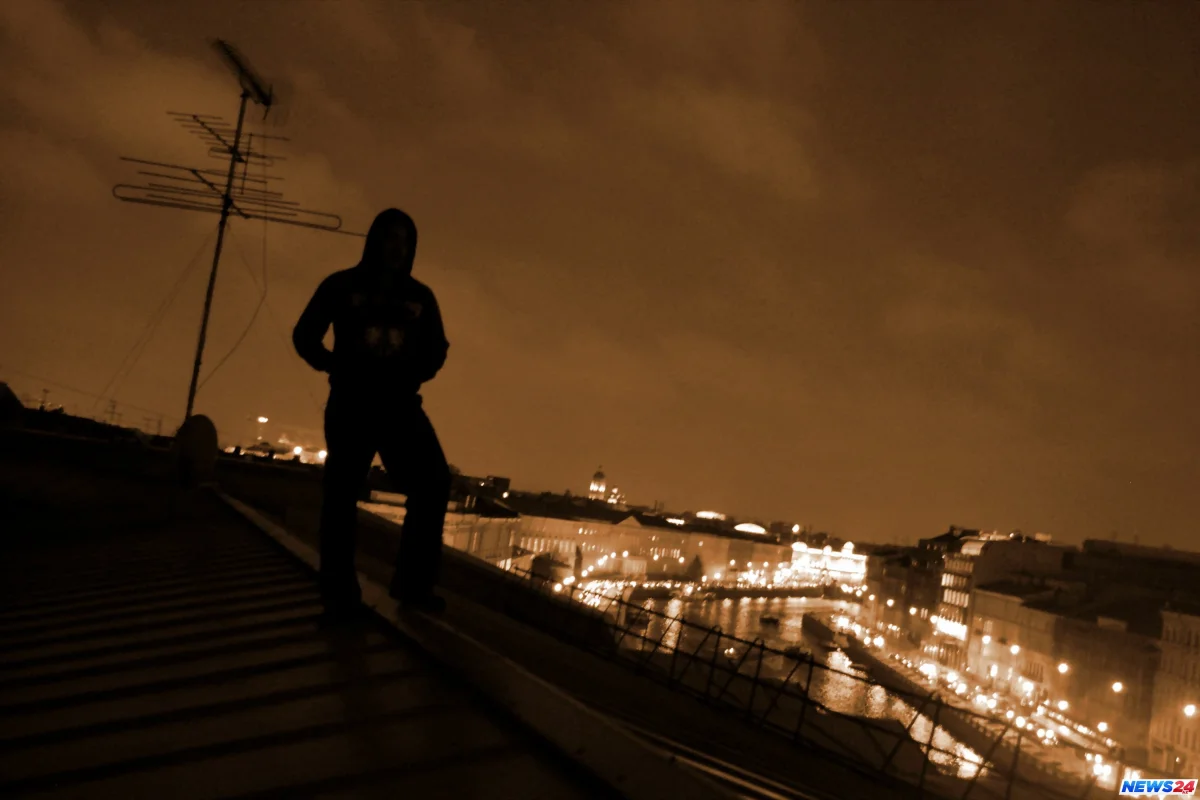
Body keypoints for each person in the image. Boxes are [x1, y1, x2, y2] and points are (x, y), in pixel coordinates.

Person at [293, 208, 451, 620]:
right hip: (352, 404)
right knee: (342, 495)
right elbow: (304, 335)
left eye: (404, 240)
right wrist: (335, 366)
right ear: (375, 240)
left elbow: (437, 348)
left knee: (433, 482)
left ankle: (413, 586)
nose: (397, 247)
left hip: (399, 405)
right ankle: (340, 594)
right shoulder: (342, 286)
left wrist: (413, 374)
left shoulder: (420, 297)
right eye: (390, 237)